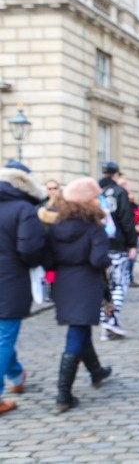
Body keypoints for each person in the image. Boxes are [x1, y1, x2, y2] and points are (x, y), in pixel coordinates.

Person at [44, 177, 113, 412]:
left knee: (80, 327)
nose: (99, 200)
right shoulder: (93, 226)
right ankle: (63, 394)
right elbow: (98, 259)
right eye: (95, 197)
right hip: (85, 282)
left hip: (64, 283)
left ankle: (96, 371)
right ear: (86, 200)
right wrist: (107, 258)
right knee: (77, 332)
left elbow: (48, 258)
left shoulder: (56, 225)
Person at [0, 159, 46, 415]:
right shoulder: (22, 208)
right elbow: (29, 249)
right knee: (5, 336)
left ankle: (16, 377)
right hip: (9, 280)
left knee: (3, 335)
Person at [98, 161, 138, 340]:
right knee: (120, 283)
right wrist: (132, 244)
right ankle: (109, 320)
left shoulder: (95, 193)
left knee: (105, 286)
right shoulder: (120, 192)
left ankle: (108, 325)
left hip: (98, 244)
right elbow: (126, 220)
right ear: (116, 175)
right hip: (117, 245)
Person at [118, 177, 139, 287]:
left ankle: (129, 278)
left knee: (131, 257)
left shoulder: (129, 201)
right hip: (123, 233)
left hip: (130, 232)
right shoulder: (120, 199)